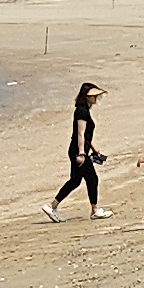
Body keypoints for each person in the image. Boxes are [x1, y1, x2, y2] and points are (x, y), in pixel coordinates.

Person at [49, 81, 109, 218]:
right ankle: (95, 210)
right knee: (92, 179)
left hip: (78, 150)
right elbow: (80, 133)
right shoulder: (81, 111)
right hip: (78, 151)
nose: (96, 98)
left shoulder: (85, 110)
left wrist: (94, 149)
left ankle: (52, 206)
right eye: (94, 96)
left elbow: (86, 136)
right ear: (87, 97)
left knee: (75, 181)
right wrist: (82, 153)